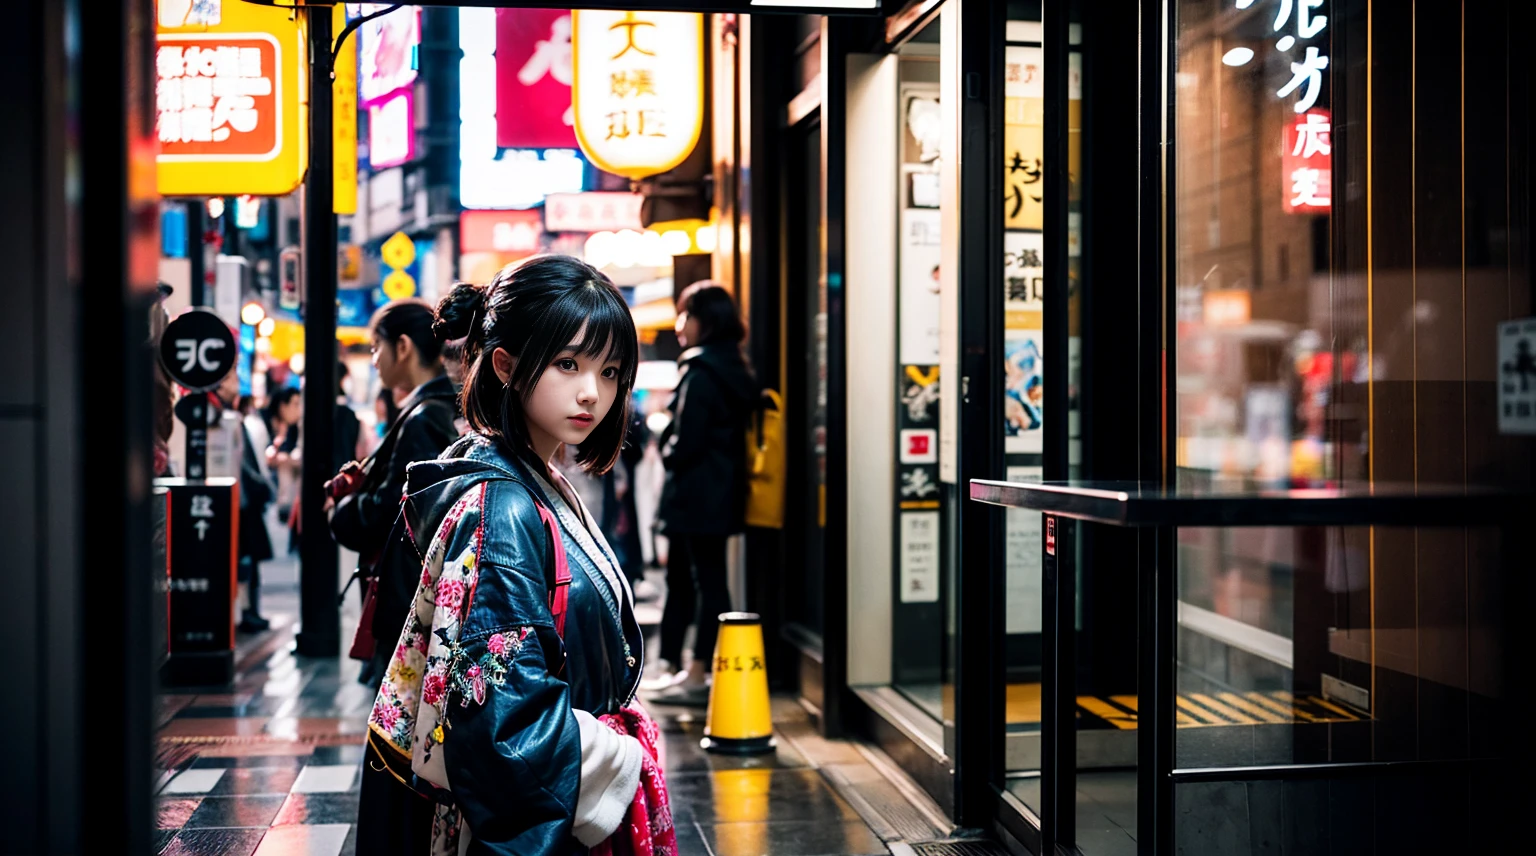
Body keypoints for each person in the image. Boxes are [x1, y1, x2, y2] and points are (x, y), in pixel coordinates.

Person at [359, 256, 669, 854]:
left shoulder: (523, 480)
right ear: (504, 364)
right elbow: (506, 725)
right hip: (550, 807)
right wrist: (620, 754)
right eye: (567, 364)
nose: (591, 393)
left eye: (609, 372)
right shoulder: (505, 506)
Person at [329, 298, 459, 688]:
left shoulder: (423, 417)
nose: (373, 359)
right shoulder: (447, 407)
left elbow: (393, 510)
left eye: (375, 346)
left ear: (402, 347)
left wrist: (343, 508)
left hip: (409, 601)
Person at [646, 282, 758, 704]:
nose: (679, 326)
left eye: (685, 316)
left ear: (703, 321)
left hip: (693, 496)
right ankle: (679, 666)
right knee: (696, 580)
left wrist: (668, 446)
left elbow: (685, 442)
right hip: (720, 495)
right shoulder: (734, 368)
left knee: (701, 582)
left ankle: (695, 672)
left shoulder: (699, 370)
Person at [214, 369, 275, 633]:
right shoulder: (224, 418)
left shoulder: (234, 418)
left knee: (248, 560)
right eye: (232, 379)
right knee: (243, 560)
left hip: (244, 501)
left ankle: (249, 611)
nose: (237, 385)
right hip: (238, 500)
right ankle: (244, 612)